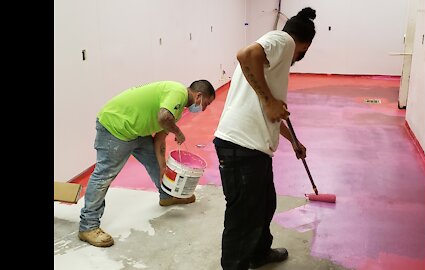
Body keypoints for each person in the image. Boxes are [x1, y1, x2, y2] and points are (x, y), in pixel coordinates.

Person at [213, 7, 316, 270]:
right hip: (240, 145)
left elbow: (269, 113)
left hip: (253, 147)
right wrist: (269, 100)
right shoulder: (284, 41)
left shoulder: (273, 62)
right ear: (304, 45)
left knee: (265, 204)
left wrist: (293, 140)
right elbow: (245, 54)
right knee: (243, 215)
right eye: (303, 55)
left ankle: (258, 253)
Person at [78, 79, 216, 247]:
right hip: (116, 127)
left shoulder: (177, 109)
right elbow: (164, 117)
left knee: (155, 163)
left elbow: (159, 139)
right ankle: (88, 226)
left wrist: (162, 167)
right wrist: (178, 132)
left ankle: (167, 196)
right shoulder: (178, 92)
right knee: (103, 176)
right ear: (199, 96)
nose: (204, 108)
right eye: (205, 104)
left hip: (137, 132)